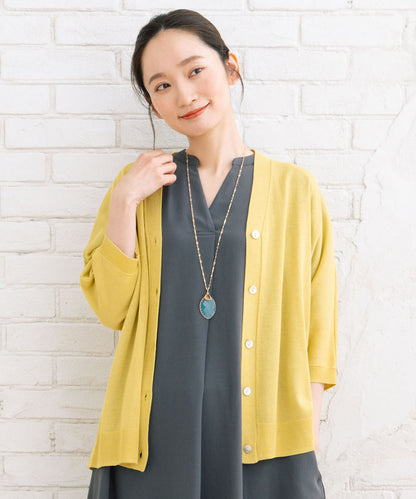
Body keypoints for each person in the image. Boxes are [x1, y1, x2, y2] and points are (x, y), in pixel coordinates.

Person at [81, 8, 337, 499]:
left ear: (230, 68)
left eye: (195, 70)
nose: (184, 94)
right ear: (154, 105)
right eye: (162, 86)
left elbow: (319, 327)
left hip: (262, 439)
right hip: (153, 437)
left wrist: (307, 432)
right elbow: (111, 309)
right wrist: (125, 201)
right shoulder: (137, 186)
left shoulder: (295, 189)